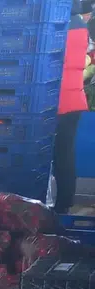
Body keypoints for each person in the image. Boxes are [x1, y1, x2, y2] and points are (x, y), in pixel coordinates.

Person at [54, 0, 90, 214]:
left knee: (59, 156)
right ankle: (64, 203)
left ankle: (60, 205)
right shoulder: (79, 24)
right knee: (65, 154)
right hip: (74, 97)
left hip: (57, 100)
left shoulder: (58, 25)